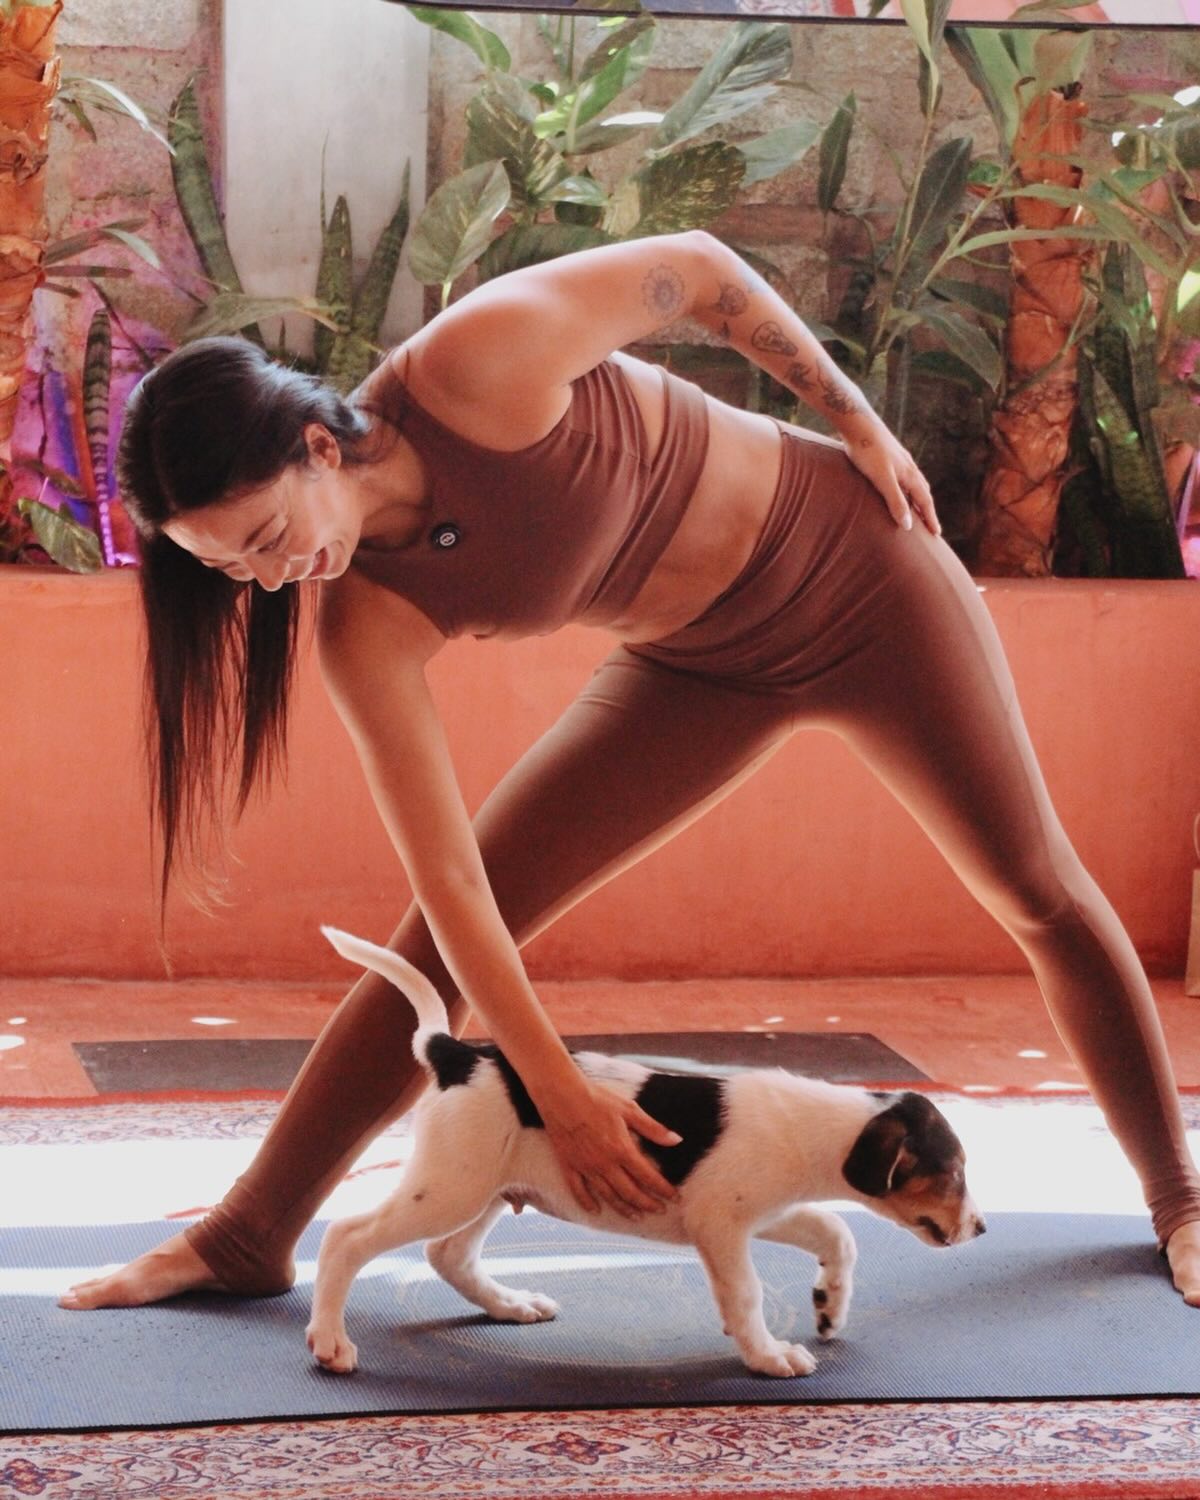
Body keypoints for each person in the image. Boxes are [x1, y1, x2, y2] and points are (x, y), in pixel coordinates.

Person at [58, 230, 1200, 1312]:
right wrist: (556, 1090)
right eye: (234, 572)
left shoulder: (477, 364)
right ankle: (249, 1235)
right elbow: (454, 884)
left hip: (860, 576)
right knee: (442, 939)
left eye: (264, 540)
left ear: (316, 446)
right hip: (699, 671)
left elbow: (698, 272)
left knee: (1033, 888)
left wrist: (856, 420)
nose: (271, 580)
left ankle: (1180, 1201)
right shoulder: (365, 625)